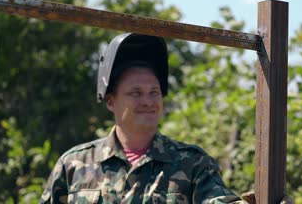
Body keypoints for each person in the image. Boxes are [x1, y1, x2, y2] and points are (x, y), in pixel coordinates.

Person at [40, 33, 245, 203]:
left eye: (154, 92)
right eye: (136, 93)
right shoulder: (73, 165)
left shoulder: (194, 164)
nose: (148, 101)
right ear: (110, 101)